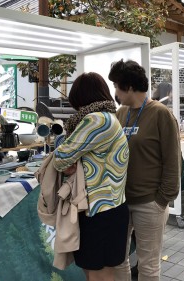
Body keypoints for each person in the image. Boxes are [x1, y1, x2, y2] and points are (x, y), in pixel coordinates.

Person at [108, 60, 181, 281]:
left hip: (149, 202)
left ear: (129, 87)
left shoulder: (160, 114)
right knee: (118, 260)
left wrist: (162, 199)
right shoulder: (121, 114)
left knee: (148, 266)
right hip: (121, 201)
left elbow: (172, 160)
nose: (115, 92)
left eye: (117, 86)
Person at [53, 72, 129, 281]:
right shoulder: (109, 117)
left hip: (100, 211)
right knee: (99, 272)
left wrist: (70, 157)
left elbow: (60, 157)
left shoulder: (96, 120)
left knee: (98, 274)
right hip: (110, 208)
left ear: (82, 97)